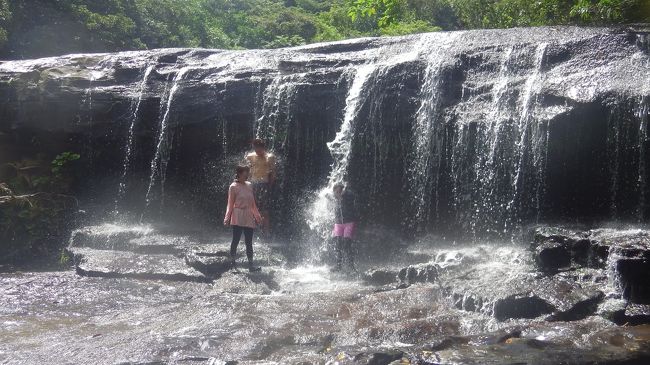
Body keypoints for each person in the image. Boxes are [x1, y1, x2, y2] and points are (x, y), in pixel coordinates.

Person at [224, 165, 263, 272]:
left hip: (248, 215)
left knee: (249, 242)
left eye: (247, 172)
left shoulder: (249, 185)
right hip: (238, 214)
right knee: (235, 240)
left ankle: (251, 266)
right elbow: (230, 204)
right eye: (245, 172)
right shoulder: (233, 186)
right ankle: (233, 264)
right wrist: (227, 218)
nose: (247, 174)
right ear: (239, 173)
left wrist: (257, 216)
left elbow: (253, 203)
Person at [245, 139, 276, 236]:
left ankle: (266, 231)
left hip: (264, 184)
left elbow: (273, 173)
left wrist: (269, 185)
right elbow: (246, 172)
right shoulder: (250, 156)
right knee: (251, 208)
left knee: (264, 209)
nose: (257, 151)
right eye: (255, 148)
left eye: (259, 149)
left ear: (263, 148)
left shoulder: (270, 157)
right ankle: (250, 229)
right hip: (252, 184)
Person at [332, 182, 358, 272]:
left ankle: (351, 265)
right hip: (338, 224)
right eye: (336, 192)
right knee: (338, 244)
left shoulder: (348, 197)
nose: (338, 193)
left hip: (349, 223)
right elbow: (325, 195)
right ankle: (338, 265)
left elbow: (353, 196)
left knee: (347, 244)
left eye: (340, 191)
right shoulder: (334, 198)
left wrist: (345, 191)